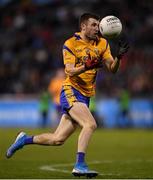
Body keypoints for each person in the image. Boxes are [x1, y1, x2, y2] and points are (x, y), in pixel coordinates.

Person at [6, 13, 129, 178]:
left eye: (98, 25)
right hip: (71, 90)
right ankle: (80, 164)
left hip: (85, 95)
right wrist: (85, 67)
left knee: (58, 139)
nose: (97, 28)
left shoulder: (102, 43)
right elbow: (69, 70)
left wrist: (119, 57)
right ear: (83, 26)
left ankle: (24, 140)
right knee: (90, 124)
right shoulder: (70, 44)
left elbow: (112, 69)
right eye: (93, 25)